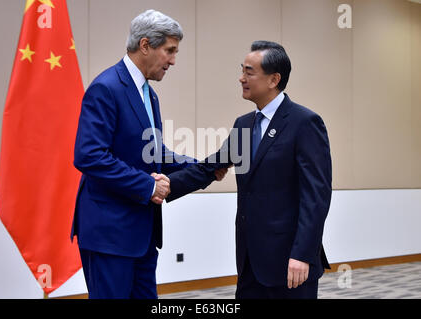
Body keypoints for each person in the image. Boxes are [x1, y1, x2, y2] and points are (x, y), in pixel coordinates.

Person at [70, 9, 224, 299]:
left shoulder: (148, 94)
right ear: (145, 46)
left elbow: (153, 153)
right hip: (110, 236)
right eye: (169, 51)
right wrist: (148, 186)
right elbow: (89, 155)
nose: (173, 60)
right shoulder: (106, 87)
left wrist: (203, 168)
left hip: (142, 233)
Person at [166, 41, 332, 299]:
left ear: (273, 79)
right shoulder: (244, 125)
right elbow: (210, 166)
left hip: (290, 262)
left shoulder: (305, 123)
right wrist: (165, 185)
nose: (241, 78)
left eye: (249, 72)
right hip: (249, 263)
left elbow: (316, 197)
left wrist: (302, 254)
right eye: (242, 70)